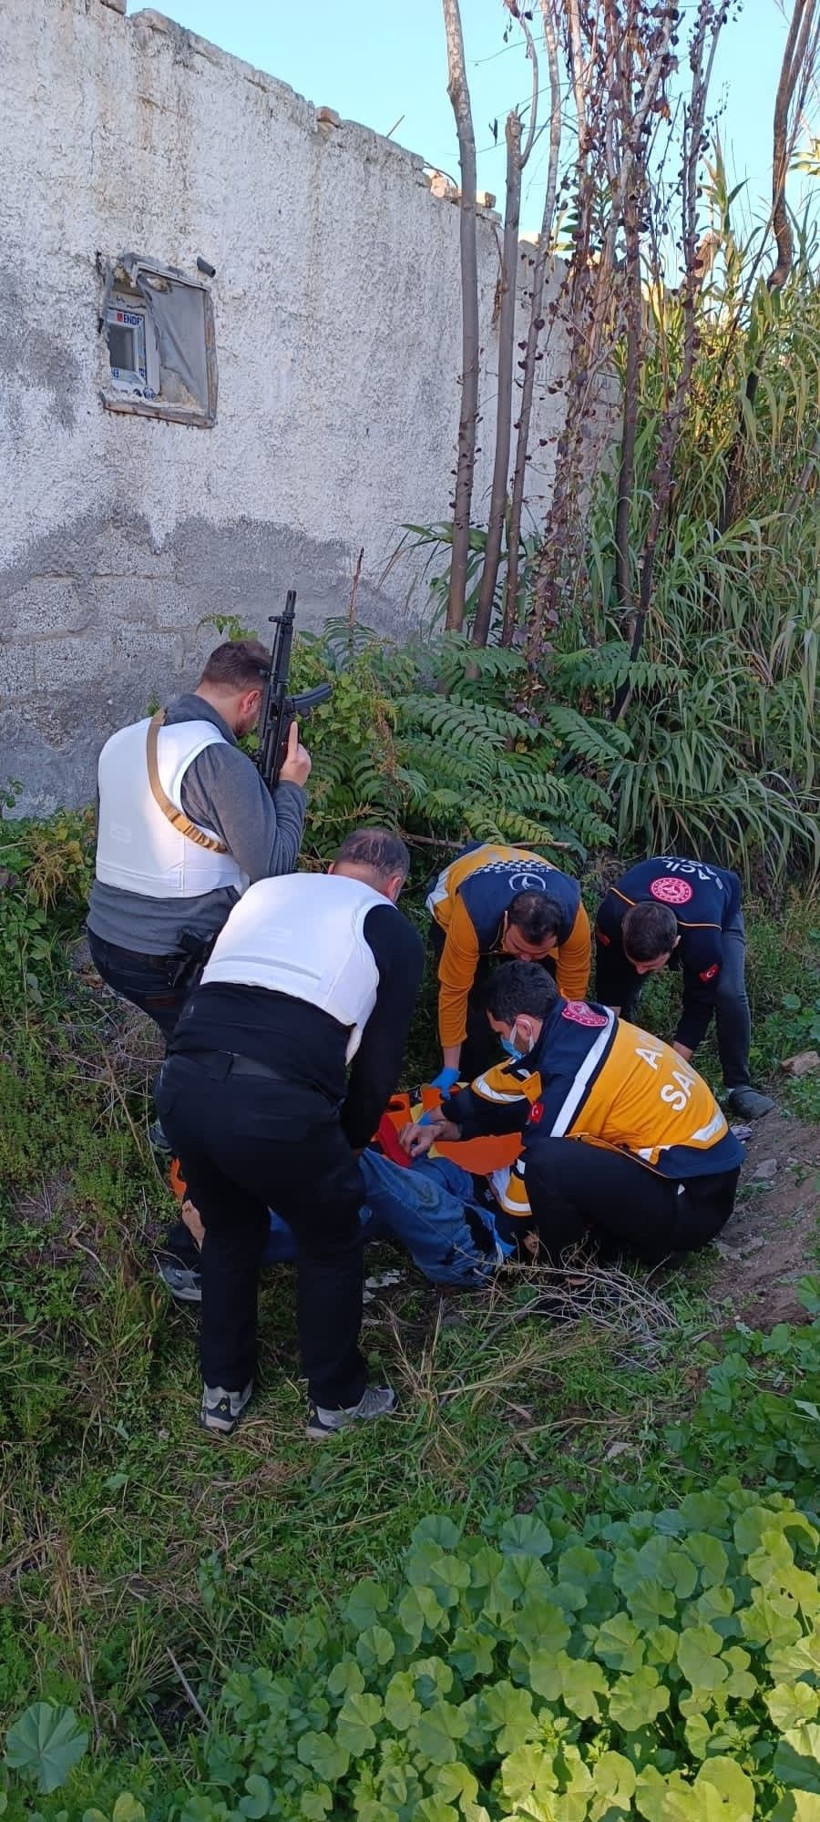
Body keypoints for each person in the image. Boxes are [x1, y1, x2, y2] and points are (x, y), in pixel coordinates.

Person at [154, 827, 425, 1438]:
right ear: (395, 886)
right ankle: (337, 1401)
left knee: (228, 1230)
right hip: (276, 1101)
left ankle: (222, 1391)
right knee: (330, 1239)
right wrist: (350, 1142)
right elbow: (378, 1066)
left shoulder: (269, 892)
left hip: (184, 1083)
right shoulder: (389, 928)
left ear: (331, 868)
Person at [402, 961, 743, 1267]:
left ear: (522, 1027)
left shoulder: (577, 1073)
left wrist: (502, 1236)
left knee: (547, 1164)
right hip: (697, 1172)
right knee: (544, 1119)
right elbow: (512, 1077)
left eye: (501, 1034)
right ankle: (624, 1239)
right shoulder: (574, 1021)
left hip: (693, 1202)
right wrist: (447, 1118)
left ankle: (568, 1277)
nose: (502, 1041)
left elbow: (535, 1159)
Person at [87, 639, 311, 1038]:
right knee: (223, 1052)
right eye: (261, 711)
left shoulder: (123, 740)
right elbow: (272, 868)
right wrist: (291, 786)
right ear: (250, 700)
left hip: (106, 940)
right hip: (167, 958)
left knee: (187, 1041)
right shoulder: (218, 759)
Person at [594, 856, 774, 1121]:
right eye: (637, 962)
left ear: (676, 943)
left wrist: (668, 1074)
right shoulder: (611, 915)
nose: (641, 970)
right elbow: (608, 982)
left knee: (728, 993)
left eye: (650, 965)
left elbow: (698, 1006)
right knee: (624, 984)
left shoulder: (703, 941)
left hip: (718, 900)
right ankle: (622, 1063)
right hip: (649, 893)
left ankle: (738, 1086)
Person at [426, 841, 591, 1087]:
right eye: (519, 948)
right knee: (473, 1006)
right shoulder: (471, 917)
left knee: (545, 997)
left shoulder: (574, 920)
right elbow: (453, 993)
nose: (524, 960)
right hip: (462, 893)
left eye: (537, 952)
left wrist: (561, 1049)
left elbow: (571, 995)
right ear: (506, 921)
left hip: (520, 885)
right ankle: (471, 1075)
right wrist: (451, 1068)